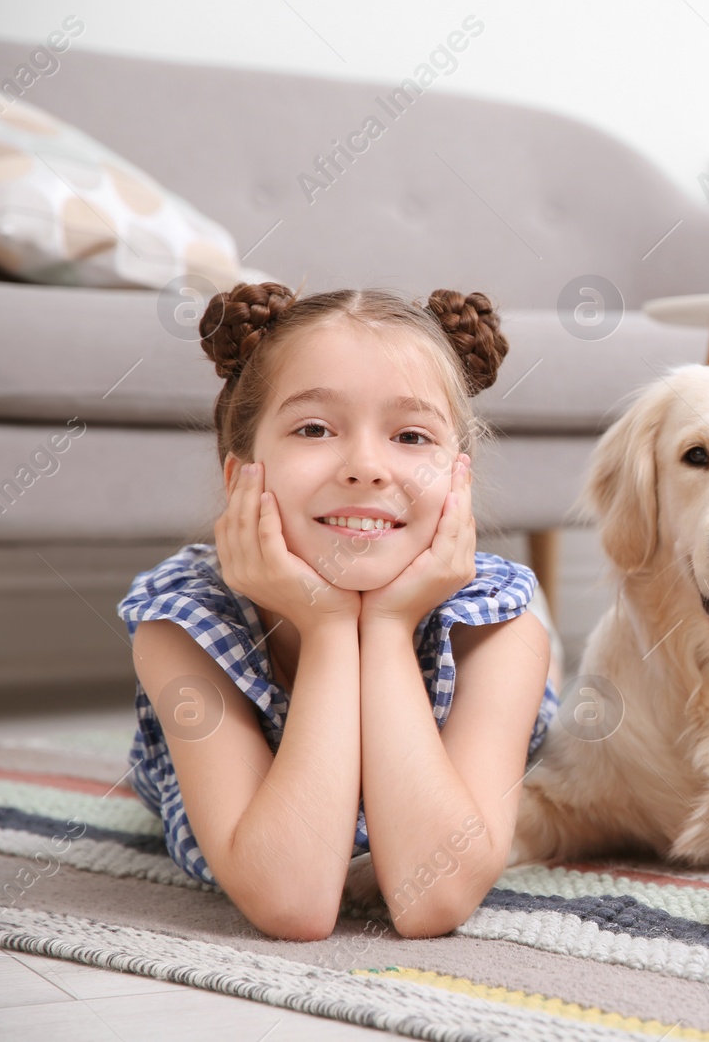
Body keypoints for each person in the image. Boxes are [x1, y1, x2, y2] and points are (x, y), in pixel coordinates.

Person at [116, 282, 556, 940]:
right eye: (314, 428)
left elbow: (432, 899)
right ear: (240, 475)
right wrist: (325, 627)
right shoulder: (182, 625)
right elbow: (293, 900)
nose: (367, 466)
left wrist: (385, 625)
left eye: (411, 434)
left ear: (458, 479)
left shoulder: (498, 631)